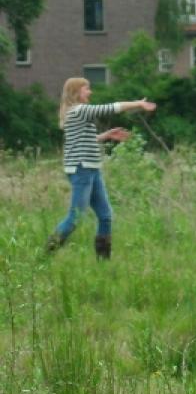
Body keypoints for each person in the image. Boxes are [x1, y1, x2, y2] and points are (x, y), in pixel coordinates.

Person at [45, 77, 156, 259]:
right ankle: (45, 255)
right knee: (75, 218)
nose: (90, 92)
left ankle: (103, 262)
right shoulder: (79, 110)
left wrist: (105, 135)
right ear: (76, 92)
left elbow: (80, 139)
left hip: (91, 169)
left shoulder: (76, 113)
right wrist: (138, 104)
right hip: (82, 170)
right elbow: (112, 108)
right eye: (86, 89)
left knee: (105, 216)